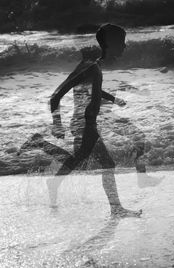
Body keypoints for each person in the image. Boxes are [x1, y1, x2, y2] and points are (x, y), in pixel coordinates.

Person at [20, 24, 142, 217]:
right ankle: (116, 209)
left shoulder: (94, 67)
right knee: (103, 163)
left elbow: (95, 89)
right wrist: (56, 123)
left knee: (80, 160)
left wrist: (113, 99)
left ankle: (53, 176)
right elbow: (56, 96)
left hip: (87, 123)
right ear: (110, 44)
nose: (125, 47)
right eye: (122, 42)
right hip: (84, 124)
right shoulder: (91, 67)